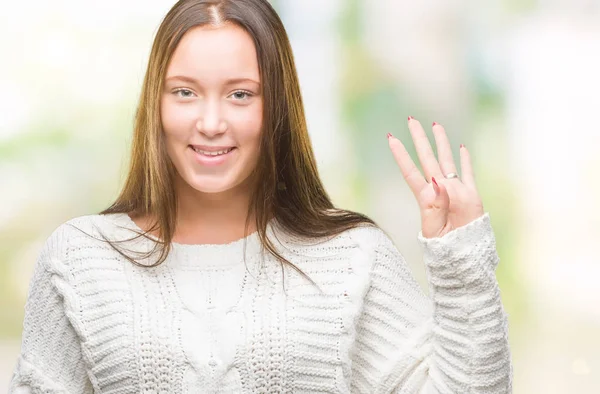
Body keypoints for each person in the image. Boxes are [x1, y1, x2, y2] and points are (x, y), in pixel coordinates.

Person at [8, 0, 512, 392]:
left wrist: (460, 263)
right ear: (154, 105)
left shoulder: (352, 256)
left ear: (276, 109)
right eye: (184, 92)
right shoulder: (80, 257)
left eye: (240, 94)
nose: (210, 123)